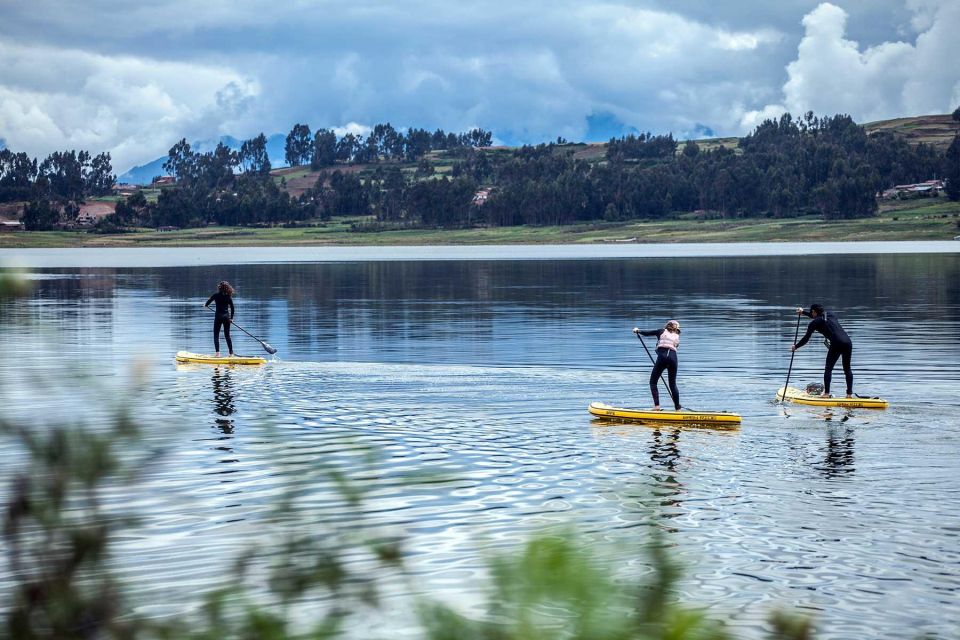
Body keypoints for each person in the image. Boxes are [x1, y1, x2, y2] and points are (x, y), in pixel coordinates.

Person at [791, 304, 853, 398]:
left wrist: (796, 346)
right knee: (847, 369)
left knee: (828, 369)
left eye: (812, 312)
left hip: (836, 343)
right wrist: (803, 312)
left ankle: (826, 394)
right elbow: (819, 317)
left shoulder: (814, 323)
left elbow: (806, 338)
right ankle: (849, 395)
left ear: (814, 312)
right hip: (848, 342)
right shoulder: (831, 314)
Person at [633, 320, 682, 411]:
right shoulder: (677, 336)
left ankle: (657, 407)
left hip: (662, 359)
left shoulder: (661, 331)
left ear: (667, 326)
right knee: (673, 384)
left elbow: (647, 333)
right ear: (676, 328)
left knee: (653, 382)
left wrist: (637, 331)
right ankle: (678, 409)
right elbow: (673, 347)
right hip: (673, 360)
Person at [204, 281, 235, 357]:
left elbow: (207, 303)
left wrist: (205, 305)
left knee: (216, 335)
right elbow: (232, 308)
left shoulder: (216, 295)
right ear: (228, 288)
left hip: (218, 317)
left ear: (219, 288)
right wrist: (231, 318)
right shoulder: (228, 297)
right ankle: (231, 353)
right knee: (227, 335)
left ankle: (217, 353)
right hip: (226, 317)